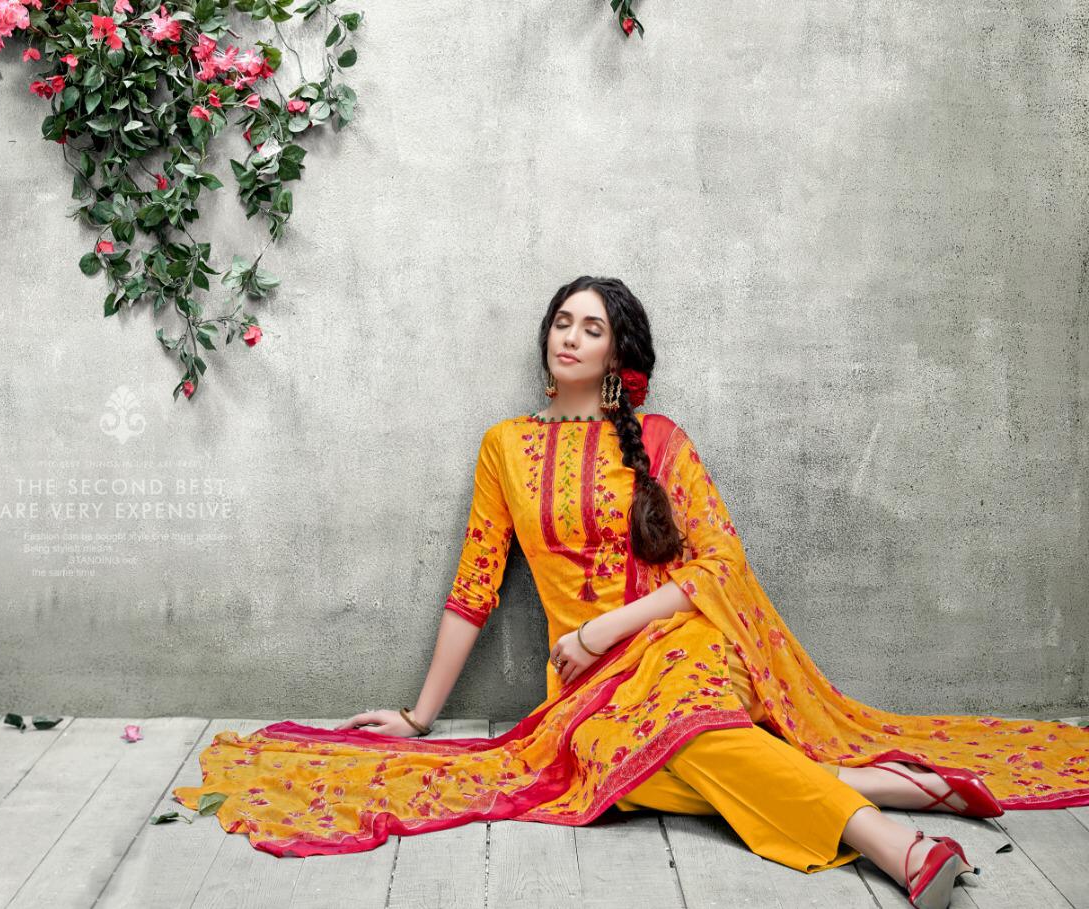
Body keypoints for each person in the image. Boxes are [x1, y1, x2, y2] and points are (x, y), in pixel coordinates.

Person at [173, 277, 1089, 909]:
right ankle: (872, 785)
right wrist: (418, 718)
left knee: (686, 731)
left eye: (591, 327)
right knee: (645, 761)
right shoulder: (504, 447)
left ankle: (898, 846)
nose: (569, 335)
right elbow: (474, 586)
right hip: (583, 689)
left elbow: (718, 565)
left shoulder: (662, 440)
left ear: (618, 353)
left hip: (683, 647)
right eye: (561, 321)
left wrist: (611, 624)